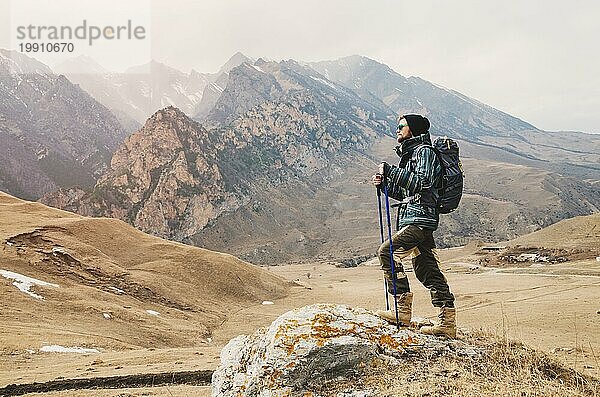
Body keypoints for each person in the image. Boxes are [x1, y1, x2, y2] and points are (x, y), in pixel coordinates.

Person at [372, 114, 456, 338]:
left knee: (387, 252)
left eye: (402, 126)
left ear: (414, 129)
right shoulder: (412, 155)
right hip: (415, 217)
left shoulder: (424, 152)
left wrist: (391, 172)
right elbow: (408, 192)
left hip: (420, 220)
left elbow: (423, 183)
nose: (397, 130)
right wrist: (386, 185)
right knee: (427, 270)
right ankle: (447, 324)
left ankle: (402, 311)